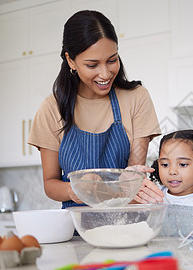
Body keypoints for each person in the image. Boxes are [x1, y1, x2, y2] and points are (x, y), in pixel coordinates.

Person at [28, 10, 163, 208]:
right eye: (92, 65)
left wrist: (130, 178)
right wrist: (74, 190)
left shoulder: (136, 97)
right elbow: (50, 183)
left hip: (124, 222)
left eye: (112, 60)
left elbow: (133, 174)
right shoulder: (52, 108)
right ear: (71, 61)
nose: (105, 74)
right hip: (75, 229)